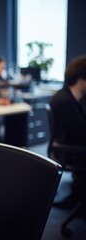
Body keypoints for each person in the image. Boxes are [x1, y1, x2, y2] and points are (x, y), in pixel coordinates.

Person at [50, 55, 86, 209]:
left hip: (73, 147)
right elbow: (83, 134)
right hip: (71, 151)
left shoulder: (72, 97)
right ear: (81, 78)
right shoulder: (64, 101)